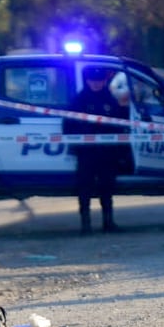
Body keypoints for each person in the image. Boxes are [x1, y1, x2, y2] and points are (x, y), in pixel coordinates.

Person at [63, 65, 131, 234]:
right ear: (87, 81)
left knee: (107, 187)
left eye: (99, 81)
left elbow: (120, 124)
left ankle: (108, 222)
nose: (96, 84)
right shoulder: (78, 101)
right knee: (84, 188)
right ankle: (85, 225)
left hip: (107, 152)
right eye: (93, 81)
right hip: (86, 153)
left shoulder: (110, 100)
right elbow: (68, 126)